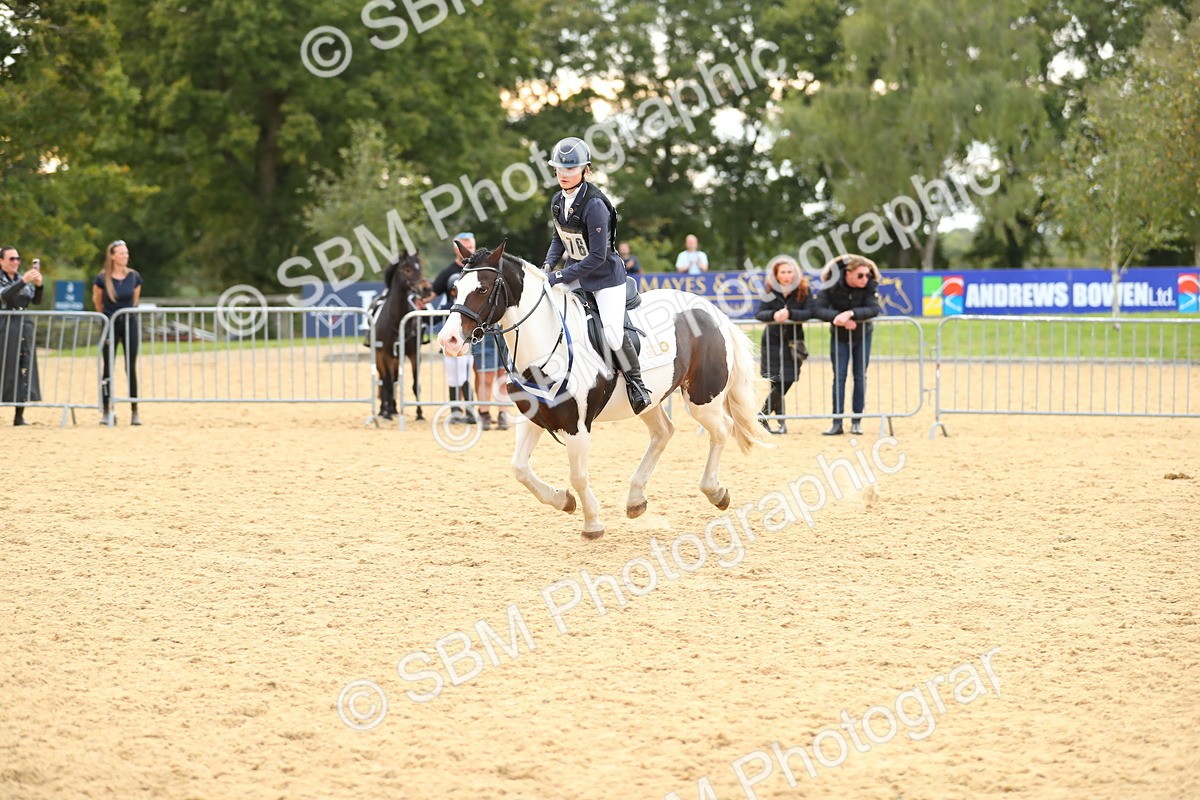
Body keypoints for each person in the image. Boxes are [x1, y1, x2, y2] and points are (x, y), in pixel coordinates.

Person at [542, 136, 651, 414]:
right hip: (578, 274)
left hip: (605, 278)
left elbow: (597, 256)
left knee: (613, 334)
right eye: (560, 169)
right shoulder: (558, 201)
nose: (564, 174)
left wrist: (561, 277)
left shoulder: (594, 205)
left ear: (585, 170)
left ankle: (636, 385)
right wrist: (547, 267)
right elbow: (559, 238)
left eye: (570, 169)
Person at [813, 254, 882, 436]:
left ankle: (857, 422)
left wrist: (850, 314)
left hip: (863, 336)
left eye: (867, 275)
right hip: (839, 337)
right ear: (847, 274)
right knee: (840, 377)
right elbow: (817, 309)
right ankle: (837, 423)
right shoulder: (832, 285)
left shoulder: (869, 286)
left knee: (860, 376)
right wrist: (838, 318)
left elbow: (874, 309)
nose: (865, 279)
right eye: (860, 275)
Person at [754, 255, 813, 435]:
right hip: (771, 341)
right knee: (776, 382)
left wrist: (791, 314)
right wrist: (774, 315)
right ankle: (780, 424)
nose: (787, 275)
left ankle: (761, 415)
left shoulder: (804, 290)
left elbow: (811, 311)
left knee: (788, 379)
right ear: (776, 275)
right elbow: (760, 313)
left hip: (794, 342)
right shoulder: (770, 291)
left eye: (789, 272)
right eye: (783, 272)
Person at [93, 239, 143, 426]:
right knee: (108, 367)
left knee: (131, 366)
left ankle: (134, 410)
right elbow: (98, 302)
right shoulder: (102, 278)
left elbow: (134, 301)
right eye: (121, 253)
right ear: (113, 256)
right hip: (110, 324)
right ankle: (106, 409)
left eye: (126, 253)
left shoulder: (134, 277)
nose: (125, 256)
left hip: (128, 323)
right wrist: (107, 318)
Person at [0, 246, 43, 426]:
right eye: (11, 259)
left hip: (24, 326)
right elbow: (5, 296)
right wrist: (23, 281)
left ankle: (19, 414)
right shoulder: (9, 280)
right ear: (1, 261)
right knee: (4, 367)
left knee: (24, 367)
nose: (16, 262)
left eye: (18, 258)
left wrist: (40, 285)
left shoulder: (20, 278)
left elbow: (36, 300)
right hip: (4, 327)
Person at [433, 272, 476, 425]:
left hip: (464, 349)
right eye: (454, 290)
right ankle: (455, 411)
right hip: (449, 351)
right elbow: (432, 319)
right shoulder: (446, 306)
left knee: (464, 378)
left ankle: (470, 412)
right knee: (452, 380)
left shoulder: (469, 307)